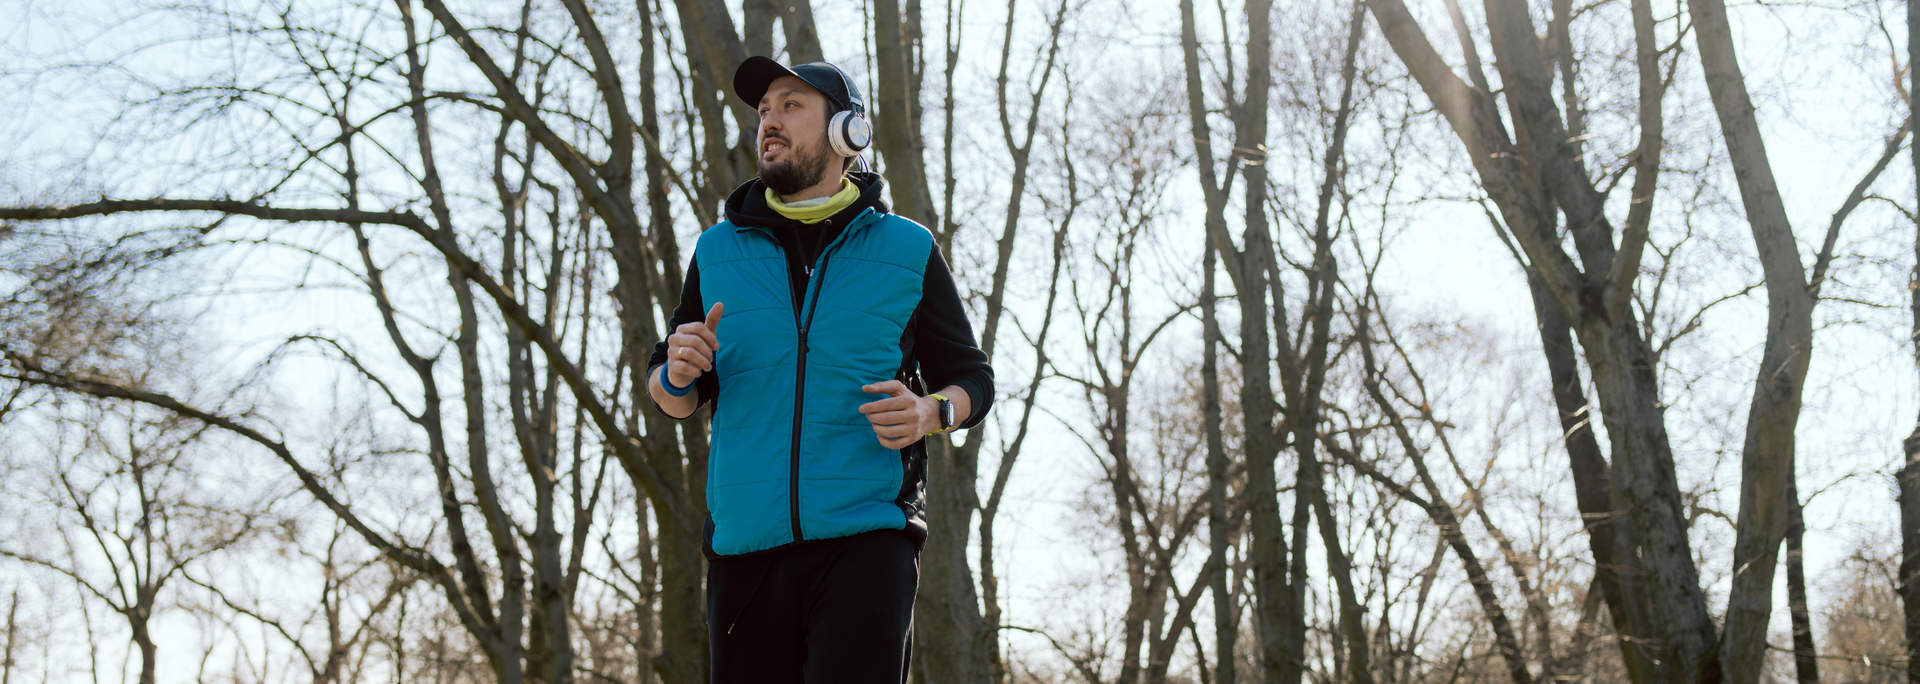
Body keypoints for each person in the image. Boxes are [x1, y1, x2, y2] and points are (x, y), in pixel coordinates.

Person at [646, 56, 994, 684]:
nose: (769, 121)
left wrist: (930, 411)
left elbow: (973, 378)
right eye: (763, 110)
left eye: (790, 105)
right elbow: (673, 392)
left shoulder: (907, 248)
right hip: (744, 549)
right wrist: (677, 372)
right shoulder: (717, 251)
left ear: (847, 132)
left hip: (866, 541)